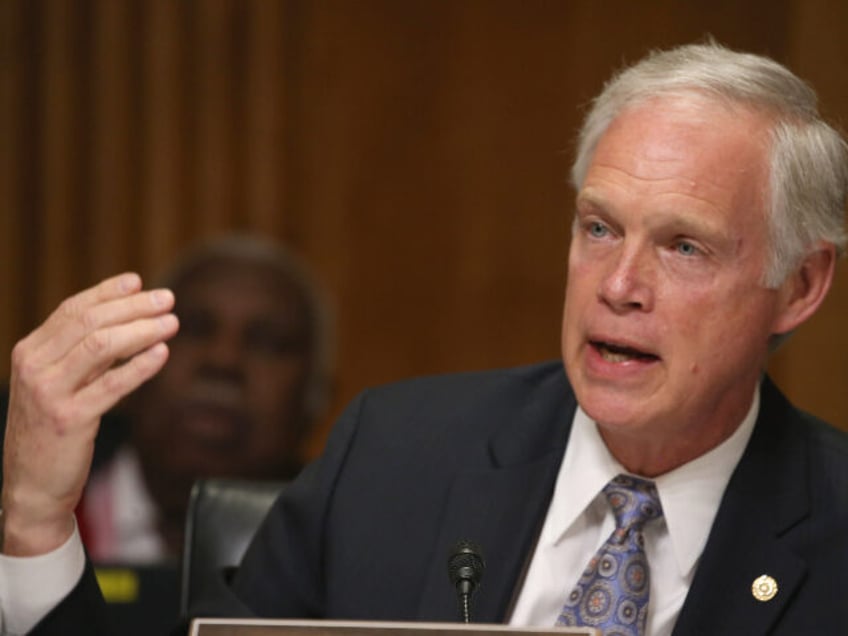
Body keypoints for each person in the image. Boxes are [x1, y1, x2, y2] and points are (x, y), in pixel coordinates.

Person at [2, 40, 848, 636]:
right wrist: (37, 524)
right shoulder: (392, 458)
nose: (620, 286)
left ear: (800, 285)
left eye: (684, 246)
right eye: (598, 228)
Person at [77, 235, 334, 564]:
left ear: (317, 395)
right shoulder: (32, 525)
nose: (223, 361)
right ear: (130, 360)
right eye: (192, 328)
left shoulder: (348, 554)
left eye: (267, 342)